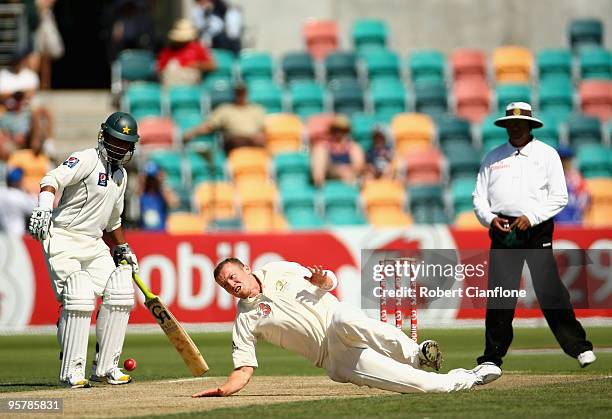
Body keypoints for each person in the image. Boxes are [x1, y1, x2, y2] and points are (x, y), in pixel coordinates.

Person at [191, 258, 502, 397]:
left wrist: (320, 280)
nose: (231, 284)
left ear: (246, 268)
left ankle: (415, 354)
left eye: (233, 276)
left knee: (343, 317)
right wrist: (223, 390)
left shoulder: (277, 268)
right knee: (422, 386)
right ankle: (468, 379)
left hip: (337, 322)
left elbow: (329, 282)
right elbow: (244, 370)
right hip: (333, 359)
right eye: (224, 284)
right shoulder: (245, 318)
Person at [472, 102, 595, 370]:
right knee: (501, 293)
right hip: (502, 228)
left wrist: (533, 217)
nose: (514, 127)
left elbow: (560, 197)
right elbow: (479, 198)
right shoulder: (493, 157)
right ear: (505, 126)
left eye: (520, 123)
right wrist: (491, 220)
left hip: (536, 227)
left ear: (530, 126)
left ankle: (579, 347)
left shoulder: (547, 154)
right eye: (510, 123)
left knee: (548, 288)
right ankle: (492, 358)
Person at [28, 111, 141, 388]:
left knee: (121, 291)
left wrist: (123, 247)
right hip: (64, 238)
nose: (120, 147)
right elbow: (51, 178)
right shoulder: (87, 158)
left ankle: (105, 367)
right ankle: (71, 369)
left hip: (94, 243)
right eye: (115, 141)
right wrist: (44, 207)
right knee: (79, 296)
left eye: (125, 143)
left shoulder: (121, 175)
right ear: (104, 136)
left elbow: (113, 221)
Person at [183, 83, 266, 154]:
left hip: (254, 141)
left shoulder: (257, 109)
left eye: (242, 92)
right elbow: (209, 126)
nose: (240, 95)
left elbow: (263, 129)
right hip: (235, 141)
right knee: (238, 141)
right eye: (238, 93)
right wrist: (192, 133)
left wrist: (260, 136)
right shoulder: (225, 109)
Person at [157, 18, 216, 88]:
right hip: (170, 84)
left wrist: (195, 65)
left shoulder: (197, 48)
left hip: (191, 83)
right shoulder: (168, 50)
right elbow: (160, 69)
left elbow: (212, 65)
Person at [311, 115, 365, 187]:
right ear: (331, 132)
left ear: (347, 132)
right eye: (335, 131)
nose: (338, 134)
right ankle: (320, 189)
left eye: (342, 131)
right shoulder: (323, 147)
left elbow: (358, 167)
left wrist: (345, 171)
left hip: (349, 177)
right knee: (319, 153)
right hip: (329, 175)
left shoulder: (354, 147)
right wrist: (339, 170)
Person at [554, 145, 590, 225]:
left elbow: (585, 202)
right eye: (563, 160)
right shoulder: (550, 177)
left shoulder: (577, 178)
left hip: (575, 222)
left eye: (568, 160)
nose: (567, 163)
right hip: (557, 224)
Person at [138, 160, 178, 230]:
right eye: (149, 179)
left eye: (153, 179)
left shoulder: (162, 192)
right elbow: (139, 190)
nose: (151, 181)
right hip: (145, 232)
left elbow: (173, 203)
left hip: (160, 232)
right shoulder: (143, 192)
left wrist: (161, 181)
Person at [0, 167, 37, 235]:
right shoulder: (21, 197)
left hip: (2, 235)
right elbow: (35, 210)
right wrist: (31, 194)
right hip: (18, 236)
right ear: (19, 181)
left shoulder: (1, 192)